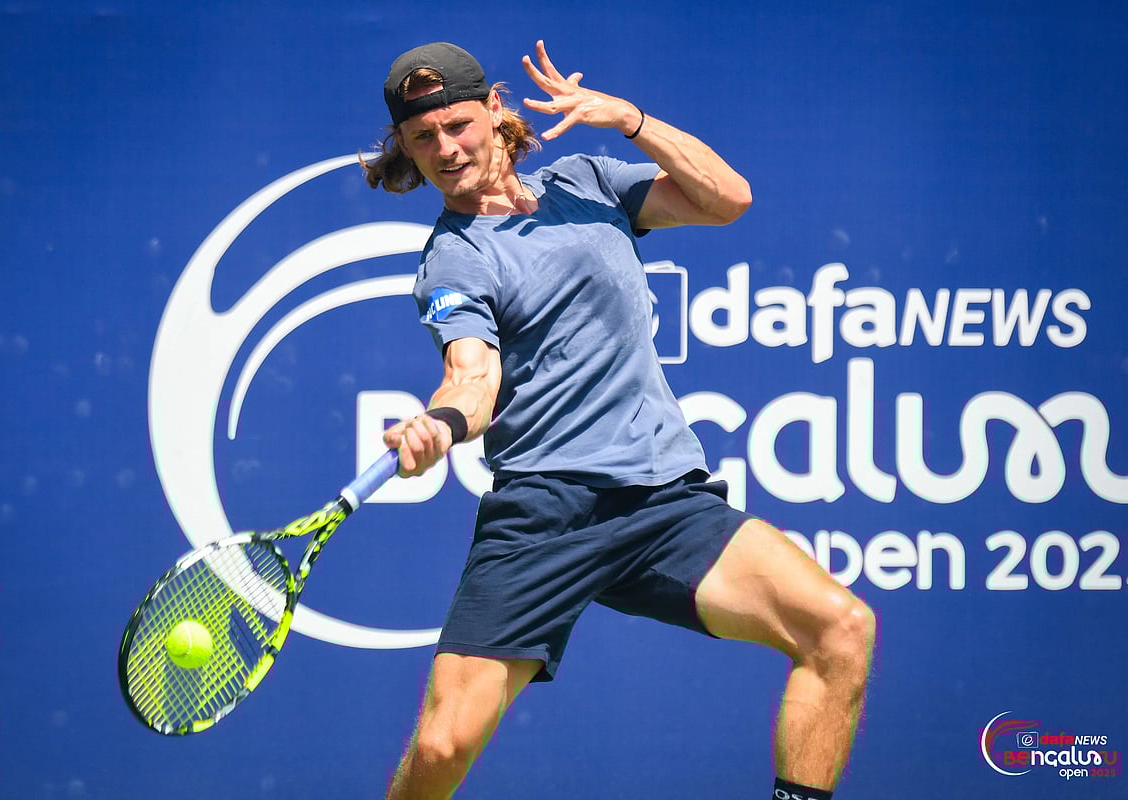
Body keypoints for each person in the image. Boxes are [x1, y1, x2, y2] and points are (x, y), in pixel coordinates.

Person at [363, 40, 875, 800]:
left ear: (495, 111)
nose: (446, 149)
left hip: (662, 500)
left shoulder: (588, 180)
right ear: (404, 147)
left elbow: (726, 198)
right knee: (441, 747)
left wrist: (628, 119)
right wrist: (442, 424)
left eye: (458, 125)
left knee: (840, 629)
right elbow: (472, 376)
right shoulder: (455, 259)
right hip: (543, 515)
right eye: (422, 138)